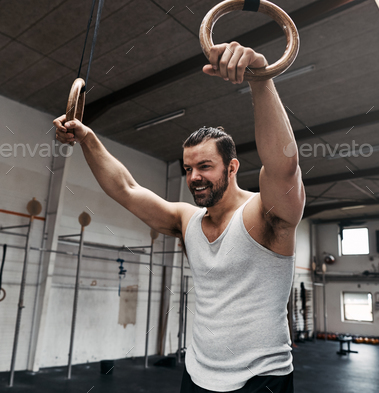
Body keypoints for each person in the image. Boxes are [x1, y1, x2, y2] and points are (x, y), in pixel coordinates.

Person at [54, 42, 305, 393]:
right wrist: (87, 138)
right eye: (188, 168)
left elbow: (283, 165)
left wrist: (260, 79)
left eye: (205, 166)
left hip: (261, 381)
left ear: (232, 167)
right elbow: (126, 188)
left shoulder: (265, 215)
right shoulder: (187, 220)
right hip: (197, 374)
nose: (194, 177)